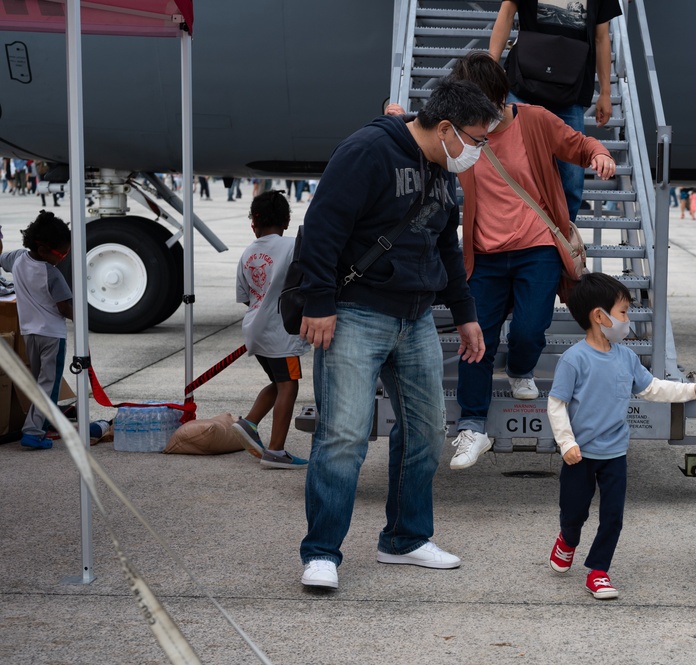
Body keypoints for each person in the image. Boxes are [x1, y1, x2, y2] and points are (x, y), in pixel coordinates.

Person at [296, 79, 500, 590]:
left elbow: (445, 245)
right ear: (447, 128)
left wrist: (465, 309)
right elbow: (322, 228)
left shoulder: (442, 169)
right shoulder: (367, 151)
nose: (478, 152)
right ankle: (322, 552)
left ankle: (404, 539)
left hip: (417, 319)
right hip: (355, 314)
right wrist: (319, 303)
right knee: (342, 436)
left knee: (427, 432)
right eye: (477, 140)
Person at [441, 52, 616, 471]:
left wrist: (599, 155)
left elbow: (578, 143)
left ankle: (520, 367)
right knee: (475, 339)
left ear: (498, 97)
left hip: (536, 247)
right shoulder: (460, 130)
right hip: (483, 254)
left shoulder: (533, 120)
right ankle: (472, 427)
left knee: (529, 328)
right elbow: (419, 134)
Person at [546, 272, 696, 599]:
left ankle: (598, 571)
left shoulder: (626, 357)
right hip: (580, 455)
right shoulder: (574, 359)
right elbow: (557, 404)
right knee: (575, 512)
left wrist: (693, 389)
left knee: (613, 517)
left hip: (614, 453)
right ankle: (567, 540)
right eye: (624, 312)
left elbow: (653, 388)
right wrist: (567, 443)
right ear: (600, 317)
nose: (628, 319)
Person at [489, 0, 622, 222]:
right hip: (523, 82)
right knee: (511, 167)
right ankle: (516, 235)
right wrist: (490, 70)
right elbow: (507, 11)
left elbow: (601, 37)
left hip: (570, 90)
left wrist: (605, 93)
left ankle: (563, 240)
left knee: (570, 180)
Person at [231, 190, 311, 469]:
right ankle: (276, 450)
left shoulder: (248, 253)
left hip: (255, 328)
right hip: (282, 334)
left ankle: (250, 423)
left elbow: (244, 296)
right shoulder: (292, 246)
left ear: (253, 222)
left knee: (279, 384)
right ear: (287, 221)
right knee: (289, 386)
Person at [0, 211, 73, 449]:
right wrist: (82, 317)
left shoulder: (17, 258)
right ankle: (33, 432)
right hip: (52, 336)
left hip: (29, 333)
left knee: (39, 381)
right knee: (48, 383)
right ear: (43, 251)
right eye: (62, 253)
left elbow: (1, 258)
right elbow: (64, 307)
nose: (63, 258)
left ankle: (45, 422)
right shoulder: (52, 274)